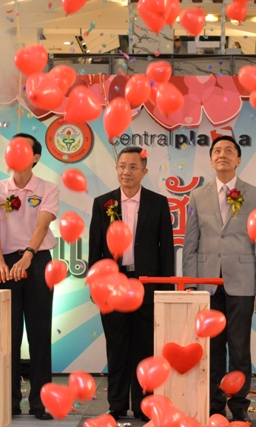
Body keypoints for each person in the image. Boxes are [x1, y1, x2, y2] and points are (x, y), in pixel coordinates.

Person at [183, 135, 256, 423]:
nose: (222, 154)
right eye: (217, 151)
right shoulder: (197, 195)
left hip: (242, 283)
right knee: (213, 348)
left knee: (240, 348)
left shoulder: (255, 195)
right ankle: (214, 402)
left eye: (229, 151)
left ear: (238, 159)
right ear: (211, 160)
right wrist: (191, 284)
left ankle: (239, 404)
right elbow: (191, 243)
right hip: (207, 284)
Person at [88, 146, 175, 422]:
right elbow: (95, 248)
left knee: (144, 348)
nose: (127, 172)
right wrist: (96, 286)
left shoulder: (158, 203)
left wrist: (165, 289)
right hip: (112, 285)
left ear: (144, 171)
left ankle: (142, 404)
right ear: (117, 169)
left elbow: (166, 250)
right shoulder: (103, 203)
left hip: (146, 284)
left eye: (133, 167)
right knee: (116, 347)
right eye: (122, 166)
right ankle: (116, 404)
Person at [0, 133, 59, 420]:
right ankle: (10, 400)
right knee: (7, 335)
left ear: (35, 157)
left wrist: (28, 256)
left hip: (38, 261)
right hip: (5, 264)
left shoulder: (48, 188)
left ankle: (41, 402)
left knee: (40, 333)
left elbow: (42, 226)